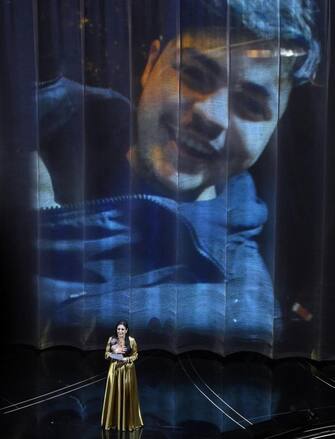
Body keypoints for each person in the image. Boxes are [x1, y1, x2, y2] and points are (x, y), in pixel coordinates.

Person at [36, 0, 320, 354]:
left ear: (276, 124)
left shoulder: (231, 320)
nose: (208, 114)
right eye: (195, 75)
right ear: (151, 63)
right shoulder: (38, 120)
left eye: (250, 105)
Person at [101, 320, 143, 431]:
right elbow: (106, 354)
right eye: (118, 329)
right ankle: (112, 421)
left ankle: (127, 422)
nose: (120, 331)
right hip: (114, 371)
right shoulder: (112, 340)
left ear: (126, 330)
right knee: (113, 394)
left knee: (127, 394)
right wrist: (115, 354)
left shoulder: (131, 340)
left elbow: (135, 355)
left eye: (122, 329)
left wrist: (127, 359)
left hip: (127, 371)